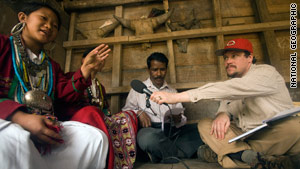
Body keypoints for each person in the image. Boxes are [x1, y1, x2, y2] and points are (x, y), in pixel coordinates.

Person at [150, 39, 300, 168]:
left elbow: (231, 89)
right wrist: (223, 114)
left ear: (249, 58)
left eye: (234, 56)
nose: (228, 61)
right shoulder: (232, 83)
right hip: (244, 136)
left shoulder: (266, 73)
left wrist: (175, 98)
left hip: (274, 134)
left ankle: (235, 156)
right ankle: (256, 158)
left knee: (296, 126)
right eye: (226, 58)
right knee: (205, 125)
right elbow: (226, 101)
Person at [0, 3, 111, 169]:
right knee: (15, 138)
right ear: (23, 18)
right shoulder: (3, 46)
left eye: (54, 26)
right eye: (43, 19)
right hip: (7, 118)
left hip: (43, 122)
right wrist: (20, 118)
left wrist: (84, 72)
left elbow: (63, 96)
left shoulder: (51, 66)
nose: (48, 26)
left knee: (94, 138)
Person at [56, 48, 138, 169]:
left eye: (102, 59)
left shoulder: (100, 86)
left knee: (129, 115)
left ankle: (121, 162)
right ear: (84, 60)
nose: (99, 62)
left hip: (99, 118)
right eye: (95, 58)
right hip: (78, 119)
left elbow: (105, 108)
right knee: (92, 112)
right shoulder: (71, 77)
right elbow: (66, 100)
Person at [122, 52, 203, 163]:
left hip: (172, 131)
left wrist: (178, 119)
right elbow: (125, 111)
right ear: (148, 70)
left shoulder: (172, 91)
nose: (159, 74)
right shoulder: (138, 90)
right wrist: (138, 112)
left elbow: (182, 118)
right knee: (147, 139)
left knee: (199, 129)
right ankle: (179, 153)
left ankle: (159, 154)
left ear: (166, 69)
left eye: (162, 69)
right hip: (150, 130)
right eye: (155, 70)